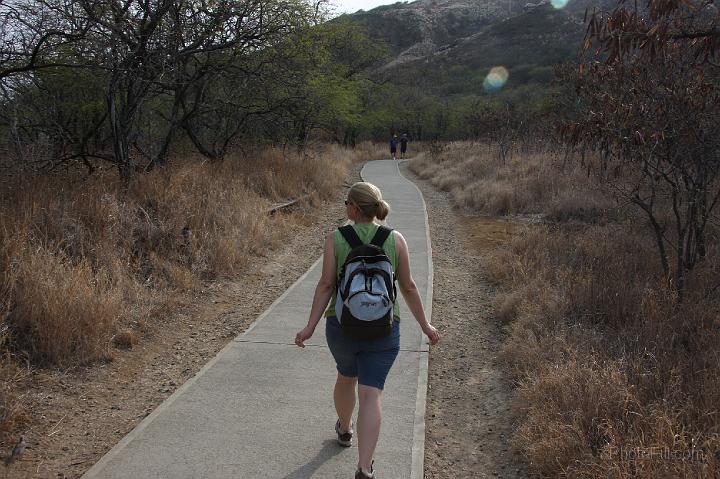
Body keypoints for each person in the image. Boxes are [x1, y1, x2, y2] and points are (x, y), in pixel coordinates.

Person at [294, 182, 440, 479]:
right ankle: (364, 467)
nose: (344, 206)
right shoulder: (395, 239)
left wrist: (309, 327)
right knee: (371, 394)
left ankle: (345, 429)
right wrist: (425, 325)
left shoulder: (336, 238)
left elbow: (325, 285)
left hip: (342, 326)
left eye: (346, 201)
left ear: (355, 208)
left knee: (346, 378)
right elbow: (408, 286)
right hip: (385, 329)